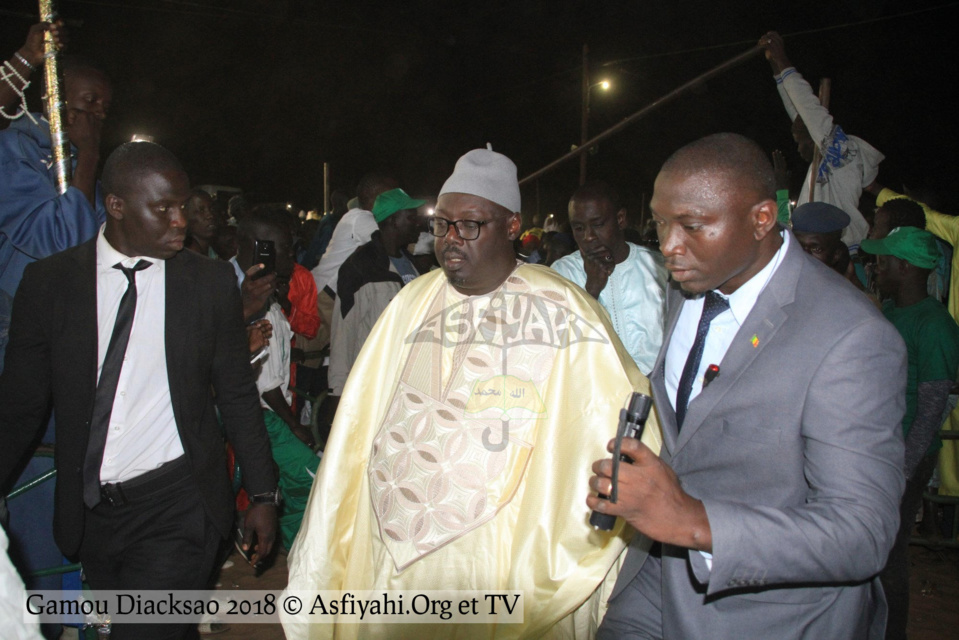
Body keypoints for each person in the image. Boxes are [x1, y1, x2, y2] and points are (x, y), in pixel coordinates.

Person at [283, 145, 662, 640]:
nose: (450, 240)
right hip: (394, 549)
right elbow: (363, 419)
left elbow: (612, 428)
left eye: (469, 225)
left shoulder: (565, 310)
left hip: (498, 553)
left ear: (511, 226)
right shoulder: (412, 303)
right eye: (441, 225)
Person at [590, 133, 906, 639]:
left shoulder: (851, 336)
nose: (668, 246)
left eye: (691, 226)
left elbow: (861, 533)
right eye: (661, 223)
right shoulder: (689, 281)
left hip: (770, 611)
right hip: (655, 584)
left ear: (762, 219)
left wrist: (693, 522)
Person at [0, 142, 278, 640]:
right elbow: (19, 406)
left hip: (179, 501)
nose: (180, 223)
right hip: (92, 512)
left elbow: (236, 393)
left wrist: (262, 493)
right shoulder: (50, 285)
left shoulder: (208, 284)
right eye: (164, 209)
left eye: (182, 207)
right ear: (117, 206)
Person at [860, 226, 959, 640]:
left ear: (904, 267)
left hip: (903, 457)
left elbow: (933, 405)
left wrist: (902, 466)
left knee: (889, 555)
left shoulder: (934, 324)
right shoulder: (892, 310)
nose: (875, 266)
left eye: (883, 261)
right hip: (881, 450)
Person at [0, 56, 112, 370]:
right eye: (90, 101)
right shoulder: (13, 150)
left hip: (63, 327)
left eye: (105, 106)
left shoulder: (91, 179)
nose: (98, 113)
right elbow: (66, 245)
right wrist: (90, 152)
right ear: (55, 100)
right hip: (13, 322)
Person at [232, 207, 319, 551]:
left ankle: (287, 545)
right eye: (281, 248)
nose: (290, 255)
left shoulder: (269, 298)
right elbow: (265, 382)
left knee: (281, 484)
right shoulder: (243, 297)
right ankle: (302, 550)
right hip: (263, 414)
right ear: (259, 249)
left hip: (268, 411)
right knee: (311, 477)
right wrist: (293, 423)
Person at [759, 31, 882, 254]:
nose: (798, 148)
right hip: (817, 255)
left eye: (799, 141)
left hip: (840, 254)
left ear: (814, 133)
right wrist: (775, 67)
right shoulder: (819, 166)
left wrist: (783, 59)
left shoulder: (842, 154)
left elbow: (808, 108)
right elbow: (798, 111)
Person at [551, 180, 667, 374]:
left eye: (597, 225)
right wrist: (591, 291)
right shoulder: (562, 273)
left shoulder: (658, 268)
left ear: (620, 219)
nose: (588, 236)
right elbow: (555, 345)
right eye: (579, 228)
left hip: (656, 392)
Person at [328, 187, 424, 398]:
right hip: (373, 384)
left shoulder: (410, 264)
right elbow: (343, 333)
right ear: (392, 220)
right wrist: (338, 394)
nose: (417, 223)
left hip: (404, 379)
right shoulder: (361, 268)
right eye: (411, 217)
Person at [310, 172, 399, 349]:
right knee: (319, 357)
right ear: (377, 197)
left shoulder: (364, 218)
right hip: (325, 295)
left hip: (332, 293)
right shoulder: (360, 218)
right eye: (393, 195)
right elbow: (395, 241)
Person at [183, 188, 219, 258]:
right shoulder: (189, 256)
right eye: (201, 211)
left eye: (211, 208)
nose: (210, 215)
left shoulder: (211, 250)